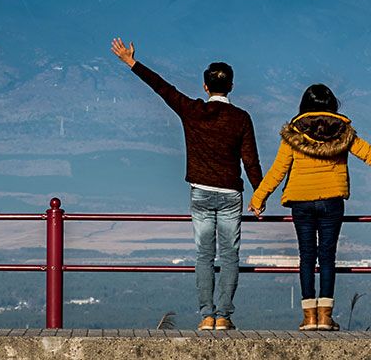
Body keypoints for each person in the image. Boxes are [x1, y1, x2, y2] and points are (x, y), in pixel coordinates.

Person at [111, 38, 262, 331]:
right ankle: (224, 316)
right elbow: (251, 161)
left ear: (205, 87)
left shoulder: (192, 110)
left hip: (201, 192)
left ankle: (206, 315)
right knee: (230, 256)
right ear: (231, 86)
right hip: (231, 193)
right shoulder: (241, 118)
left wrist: (131, 62)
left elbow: (163, 88)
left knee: (204, 255)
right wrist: (260, 195)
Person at [250, 83, 371, 331]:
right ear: (332, 106)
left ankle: (309, 317)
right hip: (331, 201)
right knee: (327, 256)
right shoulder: (343, 133)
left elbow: (278, 170)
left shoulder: (293, 135)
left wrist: (258, 199)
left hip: (301, 202)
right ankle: (325, 317)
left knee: (307, 256)